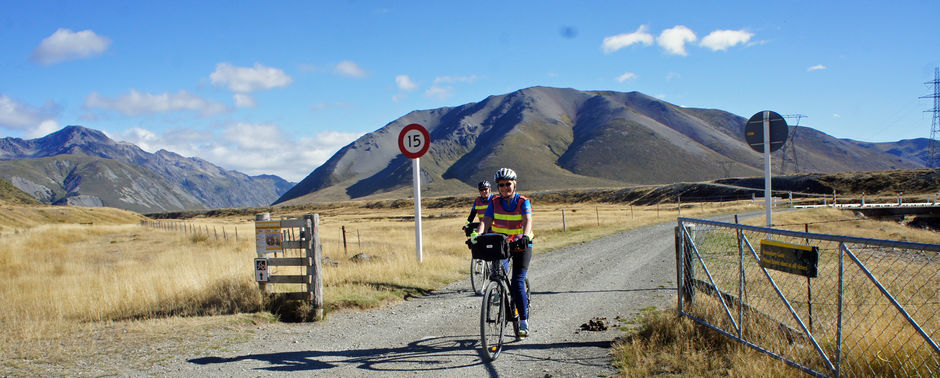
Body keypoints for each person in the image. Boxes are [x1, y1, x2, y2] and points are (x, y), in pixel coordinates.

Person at [475, 167, 533, 338]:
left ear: (514, 184)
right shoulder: (494, 202)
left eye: (508, 184)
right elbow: (486, 220)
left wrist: (526, 236)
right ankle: (498, 293)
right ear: (498, 187)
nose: (505, 187)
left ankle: (523, 322)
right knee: (496, 273)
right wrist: (477, 234)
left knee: (517, 282)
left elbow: (527, 219)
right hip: (502, 244)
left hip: (521, 244)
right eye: (501, 185)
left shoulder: (523, 202)